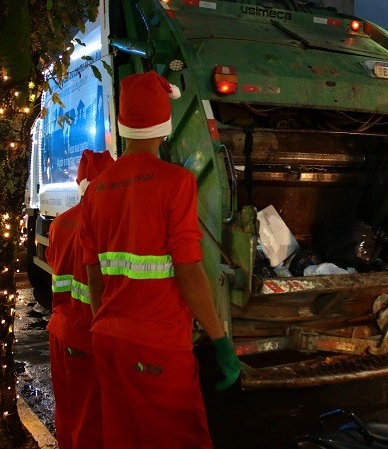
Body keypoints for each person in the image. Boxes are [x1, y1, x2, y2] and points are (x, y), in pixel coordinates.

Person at [79, 71, 241, 449]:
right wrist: (220, 340)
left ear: (124, 125)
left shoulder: (97, 190)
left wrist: (108, 328)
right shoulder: (176, 182)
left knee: (124, 438)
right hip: (156, 347)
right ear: (165, 125)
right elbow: (188, 270)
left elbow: (94, 276)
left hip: (108, 341)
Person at [45, 149, 114, 449]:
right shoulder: (107, 226)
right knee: (91, 423)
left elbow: (54, 261)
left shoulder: (59, 224)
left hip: (60, 331)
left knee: (68, 414)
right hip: (87, 336)